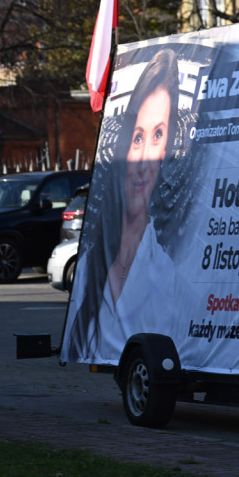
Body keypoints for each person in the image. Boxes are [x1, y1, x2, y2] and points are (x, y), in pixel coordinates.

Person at [65, 49, 182, 361]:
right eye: (138, 138)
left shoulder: (166, 271)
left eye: (158, 135)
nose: (143, 161)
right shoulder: (92, 259)